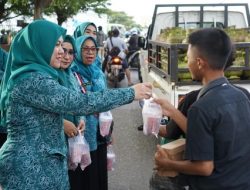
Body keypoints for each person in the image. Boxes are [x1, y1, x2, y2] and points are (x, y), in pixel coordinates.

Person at [0, 20, 152, 189]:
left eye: (62, 46)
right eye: (56, 45)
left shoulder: (40, 76)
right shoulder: (33, 81)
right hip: (30, 169)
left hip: (43, 164)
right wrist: (130, 93)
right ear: (39, 45)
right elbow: (79, 101)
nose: (61, 52)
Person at [154, 28, 250, 190]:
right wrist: (173, 112)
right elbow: (216, 138)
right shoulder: (242, 96)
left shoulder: (200, 108)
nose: (187, 62)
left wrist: (167, 163)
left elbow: (204, 168)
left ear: (199, 63)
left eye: (188, 58)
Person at [69, 35, 109, 190]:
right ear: (78, 51)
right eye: (85, 49)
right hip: (82, 136)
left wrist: (109, 131)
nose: (90, 53)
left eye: (93, 49)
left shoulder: (98, 73)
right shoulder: (72, 74)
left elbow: (106, 101)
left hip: (100, 132)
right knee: (83, 175)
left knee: (97, 173)